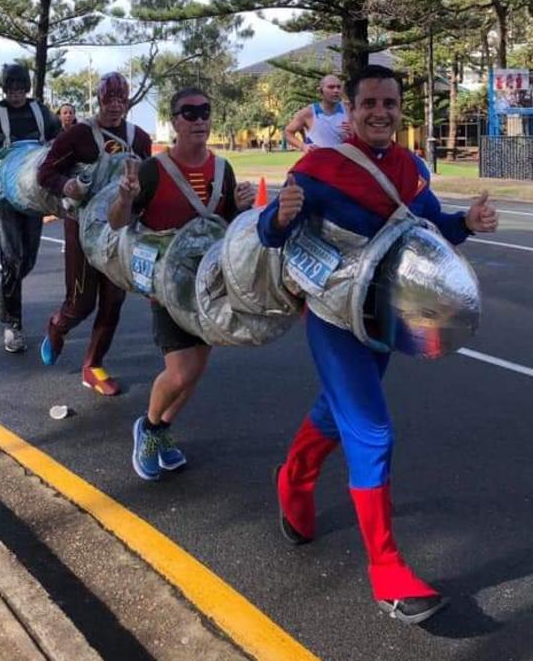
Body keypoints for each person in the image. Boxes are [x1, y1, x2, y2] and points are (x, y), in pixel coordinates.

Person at [258, 64, 498, 625]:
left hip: (382, 323)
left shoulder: (411, 170)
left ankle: (293, 478)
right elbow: (275, 232)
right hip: (332, 322)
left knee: (334, 413)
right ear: (351, 109)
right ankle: (387, 571)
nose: (380, 112)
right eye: (369, 103)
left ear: (398, 108)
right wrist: (279, 216)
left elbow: (432, 229)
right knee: (371, 429)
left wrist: (470, 220)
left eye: (389, 103)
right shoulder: (318, 168)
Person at [108, 87, 256, 481]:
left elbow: (224, 226)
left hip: (209, 286)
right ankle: (150, 429)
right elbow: (118, 222)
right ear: (174, 122)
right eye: (188, 113)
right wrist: (125, 198)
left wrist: (242, 208)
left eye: (205, 112)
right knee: (179, 373)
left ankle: (162, 430)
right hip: (167, 287)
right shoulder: (153, 170)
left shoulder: (223, 169)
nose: (199, 120)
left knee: (196, 369)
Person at [38, 72, 152, 396]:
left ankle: (93, 365)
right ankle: (58, 326)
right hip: (82, 226)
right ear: (99, 100)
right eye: (109, 100)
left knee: (113, 301)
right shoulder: (77, 135)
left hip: (119, 228)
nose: (115, 107)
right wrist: (67, 186)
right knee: (81, 302)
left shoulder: (139, 138)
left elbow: (151, 181)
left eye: (121, 100)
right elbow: (45, 172)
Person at [0, 63, 61, 354]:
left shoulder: (41, 113)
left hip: (32, 195)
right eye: (11, 90)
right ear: (4, 89)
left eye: (20, 89)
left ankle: (5, 294)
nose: (16, 95)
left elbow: (60, 137)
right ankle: (12, 324)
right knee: (13, 258)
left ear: (27, 88)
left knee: (27, 260)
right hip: (2, 196)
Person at [285, 74, 350, 151]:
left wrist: (355, 132)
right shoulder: (308, 113)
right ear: (321, 91)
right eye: (331, 87)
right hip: (318, 160)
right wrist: (303, 146)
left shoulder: (349, 110)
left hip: (343, 160)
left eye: (338, 87)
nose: (336, 90)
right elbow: (288, 132)